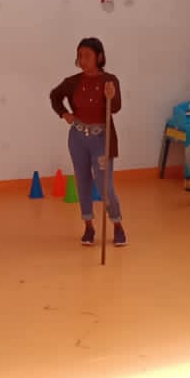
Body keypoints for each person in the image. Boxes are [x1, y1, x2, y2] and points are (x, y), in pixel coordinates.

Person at [50, 37, 128, 248]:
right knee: (82, 182)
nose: (82, 60)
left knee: (104, 184)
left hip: (101, 138)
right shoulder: (72, 81)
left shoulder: (109, 80)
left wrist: (111, 96)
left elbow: (116, 107)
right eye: (79, 56)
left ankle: (117, 224)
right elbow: (55, 96)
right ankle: (88, 226)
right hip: (77, 138)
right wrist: (64, 113)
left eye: (87, 56)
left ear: (99, 57)